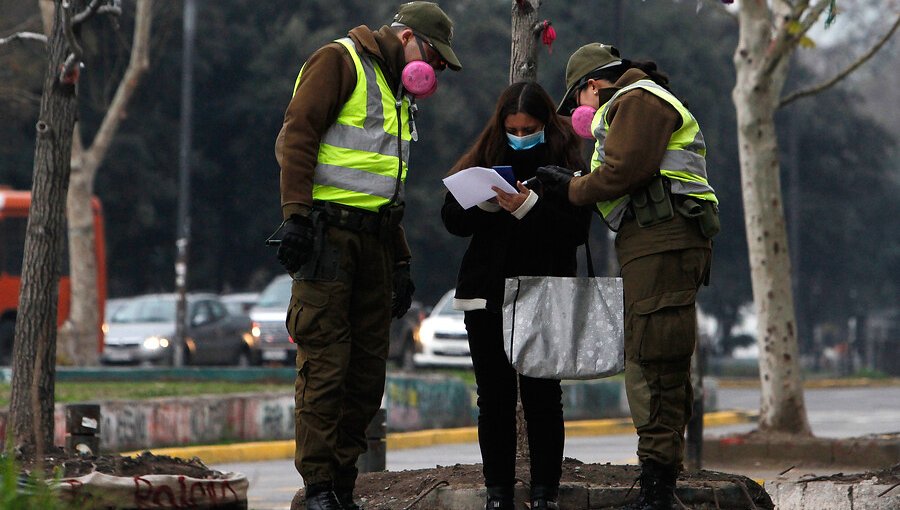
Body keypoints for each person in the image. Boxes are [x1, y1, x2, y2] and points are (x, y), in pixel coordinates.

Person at [272, 3, 461, 509]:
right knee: (326, 368)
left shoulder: (399, 95)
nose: (436, 70)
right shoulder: (339, 61)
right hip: (328, 239)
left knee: (366, 375)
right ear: (406, 39)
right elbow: (298, 136)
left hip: (376, 243)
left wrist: (400, 261)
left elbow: (385, 186)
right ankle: (317, 490)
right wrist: (295, 215)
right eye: (434, 58)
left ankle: (342, 486)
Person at [536, 43, 719, 510]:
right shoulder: (638, 101)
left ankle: (658, 487)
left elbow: (623, 172)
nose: (578, 112)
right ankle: (660, 477)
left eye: (576, 99)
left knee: (652, 357)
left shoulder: (635, 100)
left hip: (664, 240)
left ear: (592, 85)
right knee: (658, 353)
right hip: (658, 241)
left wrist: (572, 187)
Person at [441, 81, 590, 510]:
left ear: (546, 123)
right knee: (494, 397)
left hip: (543, 294)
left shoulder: (567, 166)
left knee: (543, 395)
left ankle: (546, 494)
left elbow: (576, 232)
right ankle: (498, 494)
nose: (521, 136)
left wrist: (527, 207)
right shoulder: (486, 157)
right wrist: (482, 205)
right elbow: (451, 217)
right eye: (513, 128)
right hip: (486, 295)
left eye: (530, 128)